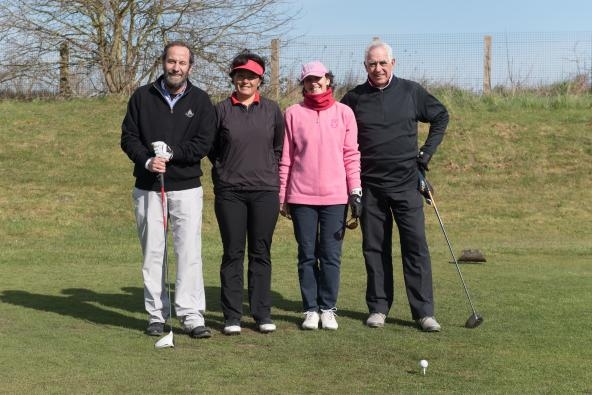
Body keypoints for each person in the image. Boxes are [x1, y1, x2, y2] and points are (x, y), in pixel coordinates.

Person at [341, 39, 449, 332]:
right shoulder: (353, 99)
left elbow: (441, 116)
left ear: (393, 63)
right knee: (374, 248)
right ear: (365, 67)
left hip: (406, 184)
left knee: (415, 247)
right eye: (372, 64)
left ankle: (424, 312)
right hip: (370, 186)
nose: (378, 68)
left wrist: (425, 155)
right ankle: (378, 307)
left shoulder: (411, 92)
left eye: (383, 63)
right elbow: (338, 136)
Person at [121, 41, 216, 339]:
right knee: (153, 253)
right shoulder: (142, 97)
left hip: (186, 187)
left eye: (182, 63)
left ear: (190, 67)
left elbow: (204, 143)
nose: (176, 67)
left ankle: (190, 314)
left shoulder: (201, 100)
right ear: (163, 62)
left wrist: (173, 154)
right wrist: (147, 160)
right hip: (148, 187)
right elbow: (129, 137)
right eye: (171, 61)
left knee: (188, 251)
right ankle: (156, 315)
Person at [280, 61, 361, 331]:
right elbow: (286, 159)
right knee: (306, 254)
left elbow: (351, 155)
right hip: (301, 196)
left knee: (330, 255)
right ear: (303, 83)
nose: (314, 83)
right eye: (308, 79)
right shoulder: (292, 113)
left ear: (328, 80)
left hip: (336, 198)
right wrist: (282, 196)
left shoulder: (345, 113)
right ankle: (310, 309)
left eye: (319, 78)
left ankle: (327, 308)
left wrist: (355, 191)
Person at [208, 50, 284, 335]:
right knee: (232, 253)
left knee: (261, 252)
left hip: (264, 190)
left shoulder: (272, 110)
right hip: (231, 192)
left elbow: (278, 147)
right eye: (240, 75)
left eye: (251, 76)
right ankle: (231, 316)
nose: (245, 80)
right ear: (233, 78)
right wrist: (224, 170)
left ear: (259, 80)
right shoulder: (221, 110)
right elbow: (212, 149)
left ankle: (262, 313)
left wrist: (270, 174)